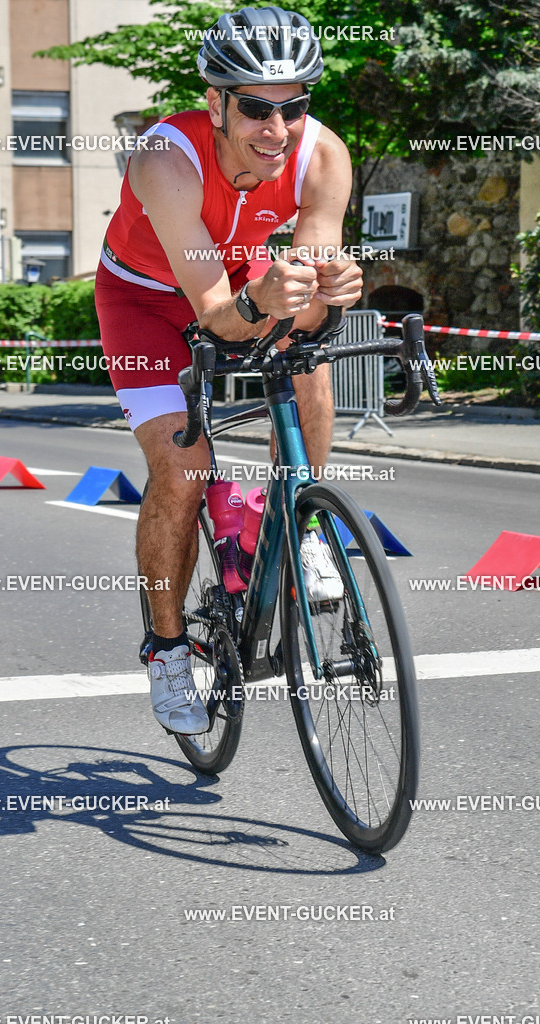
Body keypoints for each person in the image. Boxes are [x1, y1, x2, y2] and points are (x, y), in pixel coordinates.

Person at [95, 5, 363, 735]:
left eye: (295, 106)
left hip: (236, 277)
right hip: (145, 300)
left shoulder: (323, 155)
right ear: (215, 102)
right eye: (255, 109)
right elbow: (214, 312)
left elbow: (308, 268)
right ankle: (167, 647)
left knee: (307, 359)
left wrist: (328, 287)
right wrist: (266, 297)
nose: (277, 129)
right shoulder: (165, 157)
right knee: (184, 468)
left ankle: (298, 526)